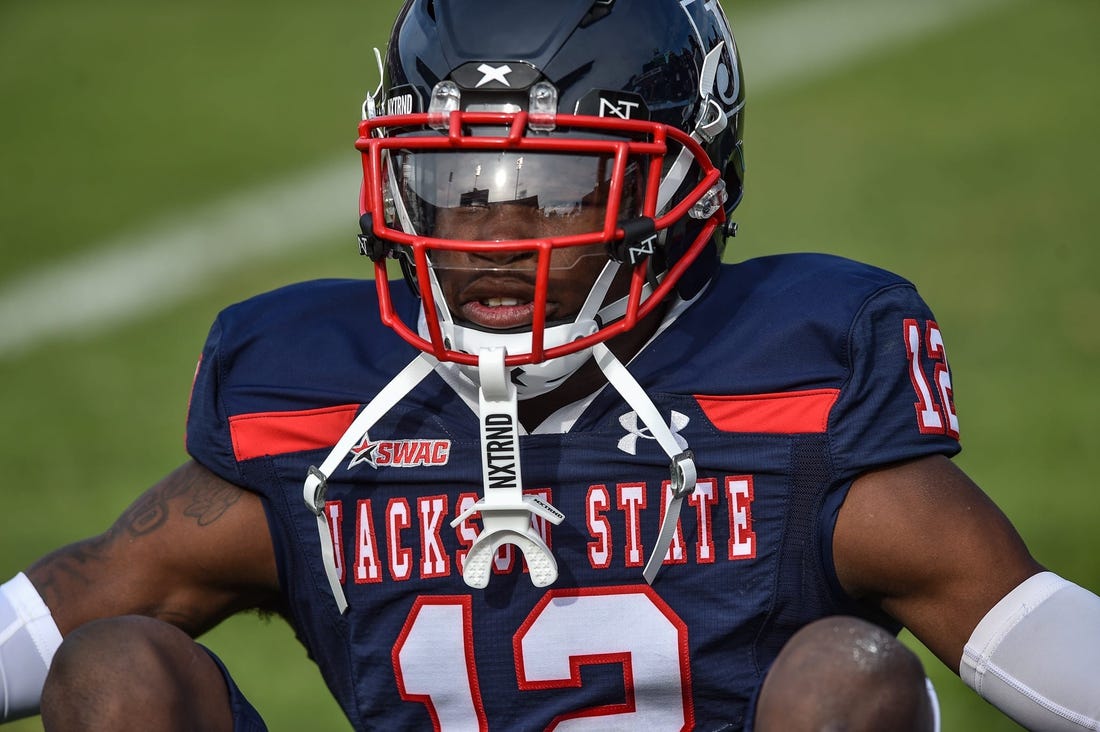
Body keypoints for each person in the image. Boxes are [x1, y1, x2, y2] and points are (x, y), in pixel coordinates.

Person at [2, 0, 1098, 729]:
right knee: (111, 674)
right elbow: (65, 614)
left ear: (683, 200)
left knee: (844, 680)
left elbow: (1017, 623)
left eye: (555, 192)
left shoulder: (786, 383)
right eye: (454, 188)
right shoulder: (326, 411)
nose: (488, 240)